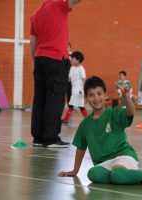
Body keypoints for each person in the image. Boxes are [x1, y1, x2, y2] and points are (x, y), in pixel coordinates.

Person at [58, 76, 142, 187]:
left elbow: (130, 112)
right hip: (104, 164)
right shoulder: (85, 124)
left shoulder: (114, 113)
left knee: (118, 175)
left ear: (106, 95)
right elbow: (81, 148)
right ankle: (126, 177)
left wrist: (126, 97)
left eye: (99, 93)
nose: (96, 98)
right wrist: (75, 170)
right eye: (91, 95)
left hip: (124, 156)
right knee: (93, 173)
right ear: (86, 98)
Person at [30, 0, 82, 148]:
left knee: (40, 99)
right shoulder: (59, 4)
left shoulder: (35, 14)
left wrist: (37, 60)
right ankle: (51, 138)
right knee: (55, 98)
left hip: (40, 58)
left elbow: (32, 41)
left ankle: (38, 138)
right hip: (56, 58)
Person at [62, 51, 87, 123]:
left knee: (74, 105)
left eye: (72, 59)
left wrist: (84, 90)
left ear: (78, 60)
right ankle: (88, 118)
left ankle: (66, 119)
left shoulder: (81, 69)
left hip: (79, 90)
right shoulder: (72, 68)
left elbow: (84, 79)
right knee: (80, 106)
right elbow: (69, 79)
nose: (71, 60)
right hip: (74, 90)